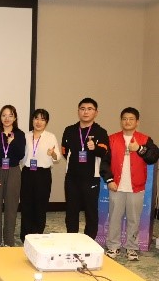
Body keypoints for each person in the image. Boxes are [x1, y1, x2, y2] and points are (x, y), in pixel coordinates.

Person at [101, 107, 159, 261]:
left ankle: (131, 248)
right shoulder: (112, 139)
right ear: (121, 121)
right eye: (124, 119)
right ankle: (113, 246)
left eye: (131, 119)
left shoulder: (145, 139)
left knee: (134, 219)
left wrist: (139, 148)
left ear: (137, 122)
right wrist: (109, 180)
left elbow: (153, 157)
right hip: (116, 186)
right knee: (114, 218)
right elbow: (105, 162)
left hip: (136, 187)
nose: (127, 121)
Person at [61, 98, 109, 239]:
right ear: (78, 111)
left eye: (89, 109)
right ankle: (72, 240)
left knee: (91, 212)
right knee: (71, 211)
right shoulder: (69, 130)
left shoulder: (101, 132)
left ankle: (89, 241)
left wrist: (95, 148)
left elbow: (105, 152)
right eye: (82, 109)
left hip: (91, 178)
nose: (85, 112)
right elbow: (64, 151)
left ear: (96, 112)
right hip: (72, 178)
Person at [19, 109, 61, 242]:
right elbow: (20, 155)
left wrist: (52, 154)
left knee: (40, 205)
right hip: (27, 173)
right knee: (26, 205)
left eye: (42, 119)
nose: (38, 122)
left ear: (46, 122)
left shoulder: (50, 137)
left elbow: (58, 157)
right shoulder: (25, 136)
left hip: (43, 174)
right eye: (36, 118)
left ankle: (37, 235)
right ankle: (25, 235)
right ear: (32, 120)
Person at [0, 105, 26, 247]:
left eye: (10, 115)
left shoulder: (20, 134)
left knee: (11, 207)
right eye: (4, 115)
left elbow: (21, 155)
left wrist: (12, 142)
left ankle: (9, 240)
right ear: (0, 117)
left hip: (13, 171)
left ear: (15, 118)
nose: (7, 118)